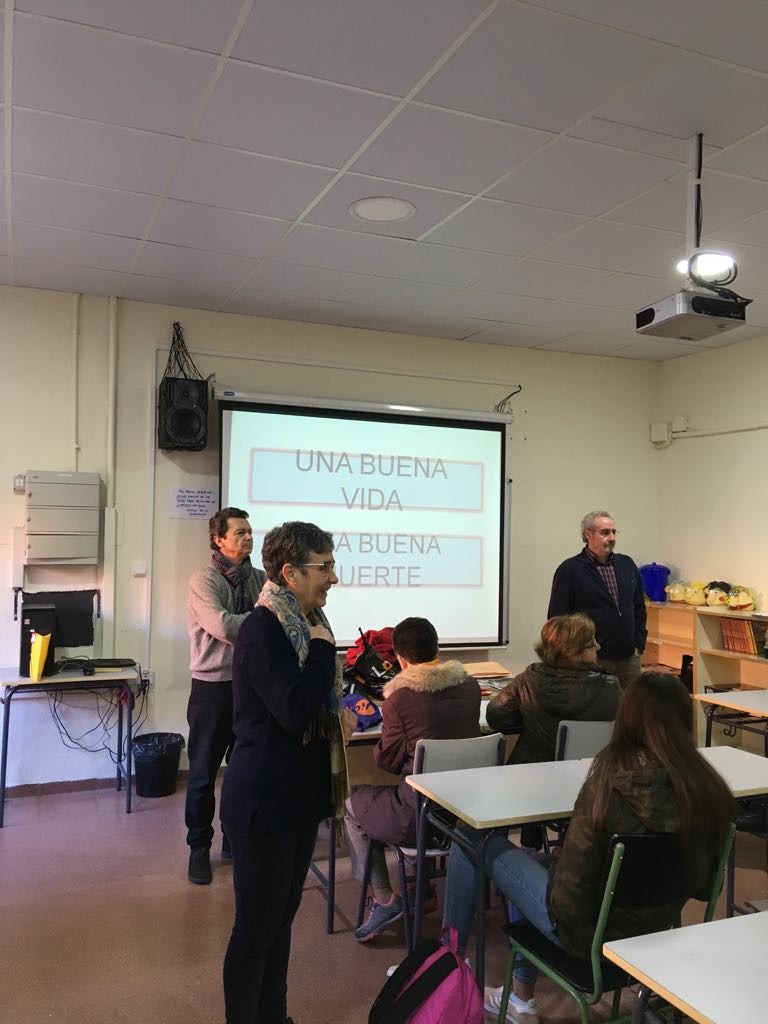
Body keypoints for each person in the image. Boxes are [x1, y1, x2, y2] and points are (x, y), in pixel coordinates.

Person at [442, 672, 734, 1024]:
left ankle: (449, 963)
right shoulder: (711, 791)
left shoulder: (609, 783)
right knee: (530, 860)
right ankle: (519, 997)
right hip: (660, 929)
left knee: (471, 837)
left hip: (588, 936)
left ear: (627, 717)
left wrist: (556, 866)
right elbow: (705, 887)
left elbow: (569, 897)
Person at [220, 521, 355, 1024]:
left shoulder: (307, 621)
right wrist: (321, 649)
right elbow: (295, 711)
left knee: (279, 925)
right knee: (256, 931)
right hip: (263, 803)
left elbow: (311, 703)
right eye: (324, 567)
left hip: (297, 799)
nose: (333, 577)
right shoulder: (264, 629)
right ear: (290, 573)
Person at [346, 616, 481, 943]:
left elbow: (387, 762)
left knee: (351, 804)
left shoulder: (399, 699)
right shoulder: (471, 687)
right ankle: (422, 891)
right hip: (465, 812)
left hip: (418, 817)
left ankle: (384, 899)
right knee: (409, 791)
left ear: (400, 659)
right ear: (438, 649)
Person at [487, 613, 620, 848]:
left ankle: (528, 847)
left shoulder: (529, 679)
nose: (599, 647)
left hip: (531, 781)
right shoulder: (610, 687)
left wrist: (526, 716)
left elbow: (497, 715)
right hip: (590, 782)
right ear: (574, 651)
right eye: (591, 644)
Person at [185, 507, 266, 885]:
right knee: (203, 774)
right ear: (219, 540)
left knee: (243, 770)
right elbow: (223, 625)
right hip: (212, 688)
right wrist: (265, 620)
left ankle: (234, 838)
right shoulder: (204, 579)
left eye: (249, 531)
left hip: (250, 685)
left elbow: (285, 614)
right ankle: (198, 847)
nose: (248, 537)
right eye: (239, 533)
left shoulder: (260, 578)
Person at [548, 510, 647, 690]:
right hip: (591, 660)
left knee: (630, 706)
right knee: (596, 706)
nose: (612, 537)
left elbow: (638, 607)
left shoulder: (627, 564)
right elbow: (558, 618)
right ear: (588, 534)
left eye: (614, 532)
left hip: (628, 659)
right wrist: (574, 655)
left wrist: (638, 644)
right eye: (605, 532)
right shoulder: (570, 569)